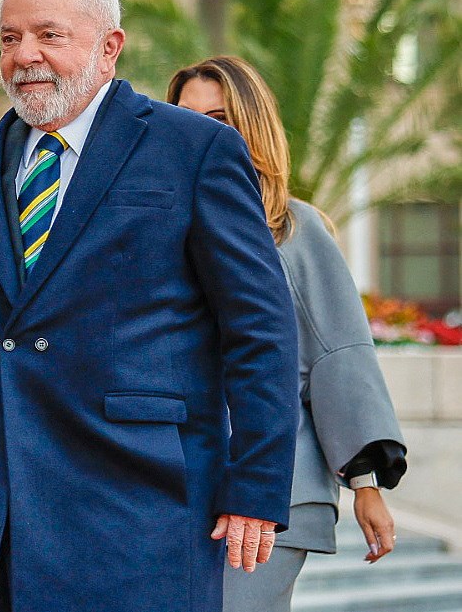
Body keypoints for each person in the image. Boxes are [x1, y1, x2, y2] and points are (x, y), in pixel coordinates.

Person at [0, 0, 299, 612]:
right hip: (8, 504)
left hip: (149, 505)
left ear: (109, 47)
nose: (25, 55)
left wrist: (258, 485)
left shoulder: (195, 151)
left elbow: (260, 329)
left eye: (50, 34)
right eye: (10, 38)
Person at [168, 55, 407, 612]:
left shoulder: (295, 230)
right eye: (186, 118)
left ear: (252, 127)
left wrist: (365, 486)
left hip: (276, 490)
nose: (200, 133)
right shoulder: (161, 227)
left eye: (219, 119)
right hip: (177, 485)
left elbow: (339, 357)